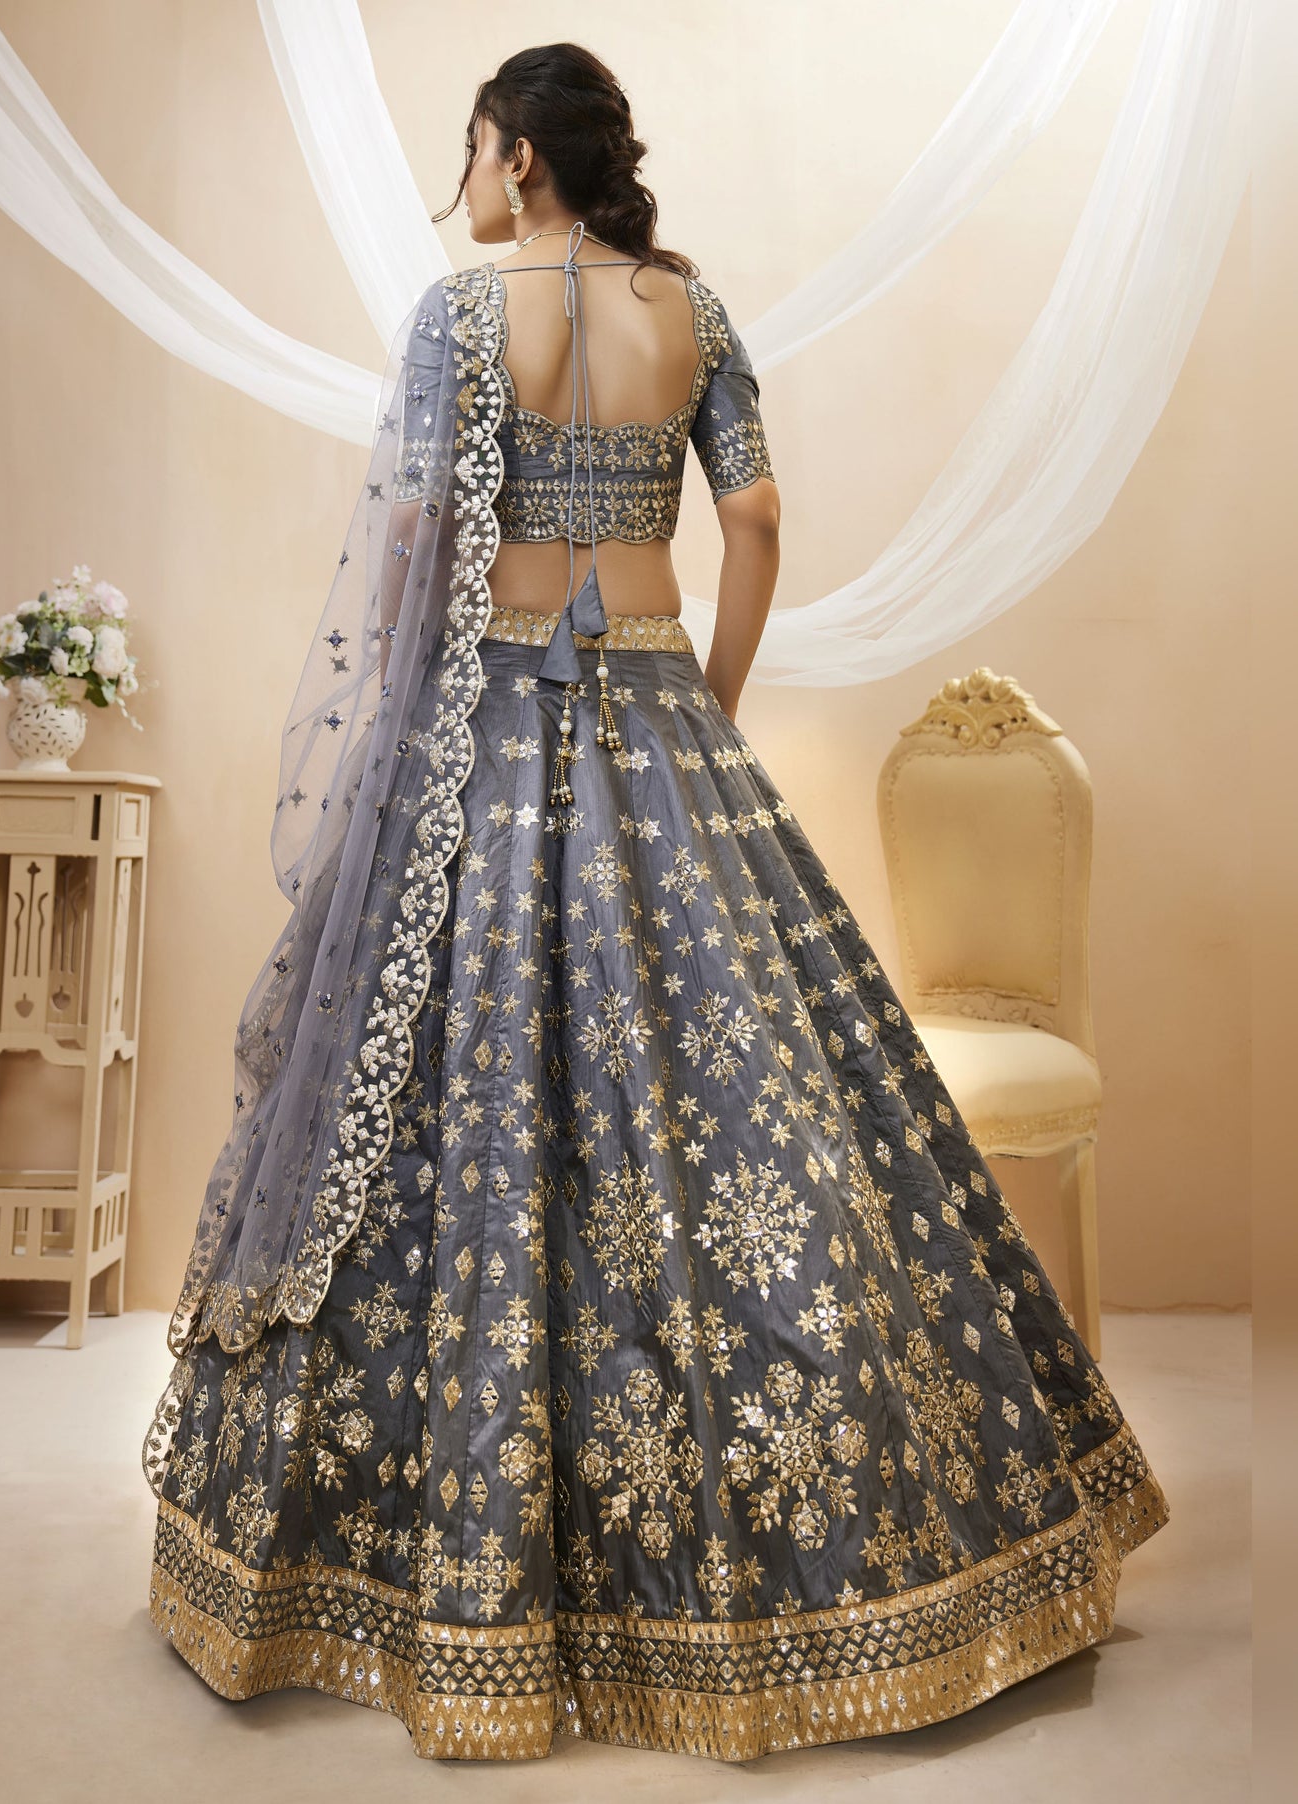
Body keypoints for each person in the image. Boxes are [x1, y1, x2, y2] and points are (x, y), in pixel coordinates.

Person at [141, 42, 1168, 1764]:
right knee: (753, 1115)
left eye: (470, 147)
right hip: (662, 716)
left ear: (523, 159)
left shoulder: (465, 317)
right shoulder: (693, 317)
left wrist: (411, 749)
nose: (459, 182)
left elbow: (409, 549)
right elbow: (753, 517)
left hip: (484, 736)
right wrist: (708, 692)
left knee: (459, 1117)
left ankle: (401, 1577)